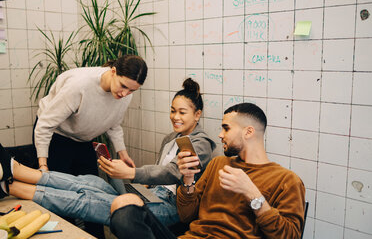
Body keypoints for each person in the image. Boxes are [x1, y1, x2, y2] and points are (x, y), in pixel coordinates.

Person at [0, 78, 216, 228]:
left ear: (197, 115)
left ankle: (10, 185)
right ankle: (14, 171)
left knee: (91, 200)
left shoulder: (201, 143)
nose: (175, 117)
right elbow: (159, 176)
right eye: (172, 110)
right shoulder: (170, 139)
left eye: (182, 112)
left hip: (170, 207)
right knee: (89, 183)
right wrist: (127, 174)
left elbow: (173, 173)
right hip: (150, 194)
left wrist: (132, 174)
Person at [109, 102, 306, 239]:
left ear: (248, 132)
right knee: (124, 203)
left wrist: (252, 193)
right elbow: (186, 216)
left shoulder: (286, 180)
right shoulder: (218, 164)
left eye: (226, 128)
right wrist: (187, 180)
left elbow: (289, 235)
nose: (220, 135)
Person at [32, 54, 148, 238]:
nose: (125, 94)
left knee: (94, 194)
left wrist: (123, 153)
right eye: (123, 86)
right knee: (63, 198)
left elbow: (114, 124)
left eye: (132, 91)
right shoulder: (79, 86)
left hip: (82, 140)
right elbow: (45, 125)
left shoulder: (125, 94)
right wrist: (43, 166)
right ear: (113, 71)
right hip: (56, 137)